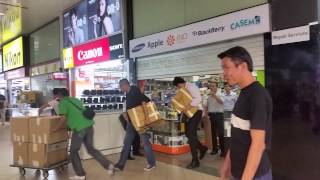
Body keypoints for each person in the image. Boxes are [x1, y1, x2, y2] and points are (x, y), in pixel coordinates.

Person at [219, 46, 273, 180]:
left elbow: (258, 144)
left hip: (255, 175)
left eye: (226, 67)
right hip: (239, 172)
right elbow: (238, 136)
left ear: (242, 66)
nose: (223, 73)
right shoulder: (243, 93)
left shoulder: (257, 96)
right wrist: (227, 164)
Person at [54, 88, 114, 180]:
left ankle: (80, 174)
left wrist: (55, 129)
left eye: (56, 95)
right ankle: (109, 165)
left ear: (59, 95)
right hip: (89, 126)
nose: (55, 97)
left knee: (73, 151)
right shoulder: (75, 100)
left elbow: (63, 118)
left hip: (80, 129)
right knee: (91, 149)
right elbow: (76, 114)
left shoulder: (63, 103)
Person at [114, 79, 156, 171]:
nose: (120, 89)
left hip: (140, 121)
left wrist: (147, 118)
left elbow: (144, 102)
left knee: (145, 142)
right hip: (131, 122)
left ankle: (152, 163)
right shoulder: (128, 93)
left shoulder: (134, 90)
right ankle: (120, 164)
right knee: (127, 143)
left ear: (125, 85)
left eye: (120, 87)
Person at [172, 77, 208, 169]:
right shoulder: (184, 89)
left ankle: (195, 161)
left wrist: (187, 107)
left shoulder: (191, 87)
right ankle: (202, 148)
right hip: (188, 113)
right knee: (188, 133)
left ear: (180, 84)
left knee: (191, 135)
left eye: (178, 86)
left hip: (196, 112)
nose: (178, 88)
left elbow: (198, 99)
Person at [205, 82, 225, 157]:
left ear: (217, 87)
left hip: (219, 115)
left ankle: (223, 151)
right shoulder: (208, 96)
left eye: (213, 86)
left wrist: (214, 95)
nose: (211, 87)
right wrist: (206, 113)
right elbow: (207, 105)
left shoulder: (221, 94)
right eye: (210, 86)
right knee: (213, 133)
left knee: (221, 133)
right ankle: (214, 149)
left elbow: (221, 102)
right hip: (212, 115)